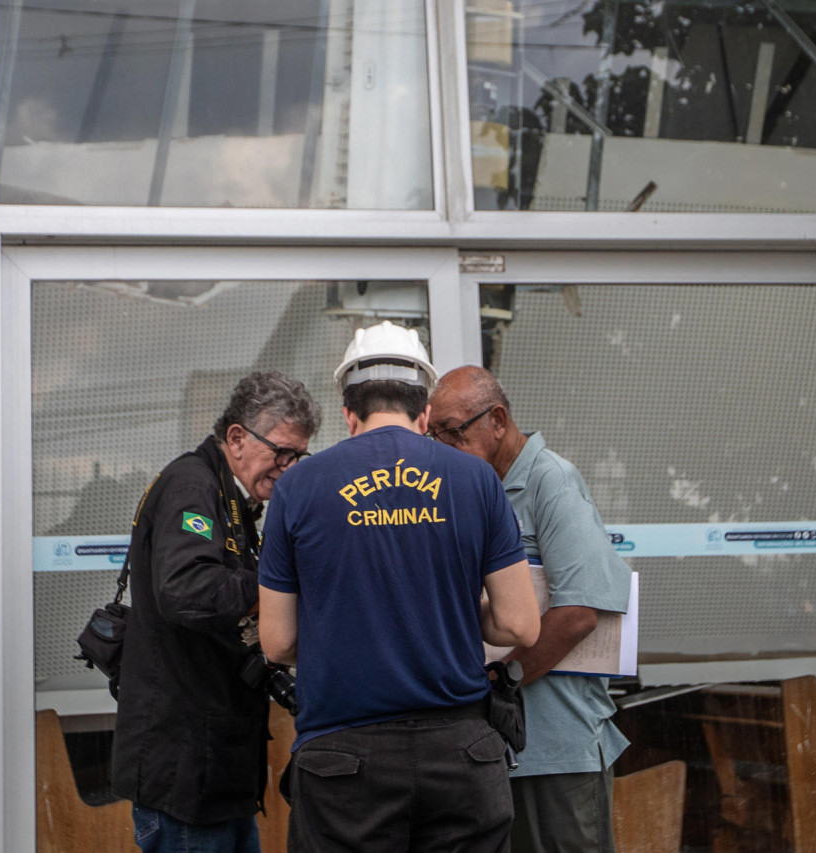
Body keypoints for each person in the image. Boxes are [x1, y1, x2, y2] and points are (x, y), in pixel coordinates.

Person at [256, 321, 541, 853]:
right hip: (462, 758)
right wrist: (454, 613)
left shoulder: (298, 486)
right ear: (425, 410)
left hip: (344, 764)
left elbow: (277, 642)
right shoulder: (477, 480)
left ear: (348, 413)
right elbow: (520, 624)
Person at [112, 371, 322, 853]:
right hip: (185, 770)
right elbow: (186, 590)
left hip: (215, 769)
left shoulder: (235, 500)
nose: (289, 468)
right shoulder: (192, 485)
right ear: (237, 438)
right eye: (282, 453)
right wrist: (279, 581)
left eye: (299, 456)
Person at [427, 366, 633, 853]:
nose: (440, 447)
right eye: (432, 434)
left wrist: (499, 683)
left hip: (558, 748)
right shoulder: (466, 489)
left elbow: (580, 612)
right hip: (490, 747)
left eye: (452, 431)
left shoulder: (551, 482)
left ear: (497, 419)